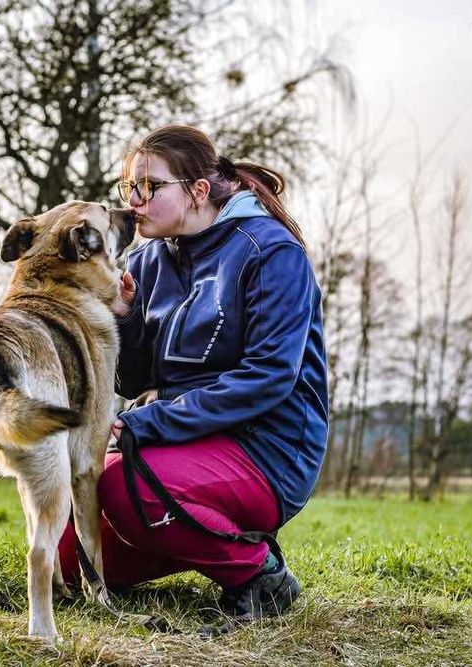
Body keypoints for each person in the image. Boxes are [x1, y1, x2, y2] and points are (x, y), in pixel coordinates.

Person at [57, 124, 329, 628]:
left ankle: (258, 574)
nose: (135, 201)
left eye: (150, 186)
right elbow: (132, 379)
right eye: (129, 188)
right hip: (185, 442)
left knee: (124, 484)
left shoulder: (270, 252)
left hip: (268, 448)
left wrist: (146, 425)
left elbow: (269, 377)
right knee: (67, 561)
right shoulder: (147, 260)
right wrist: (127, 318)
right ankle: (192, 533)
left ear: (198, 191)